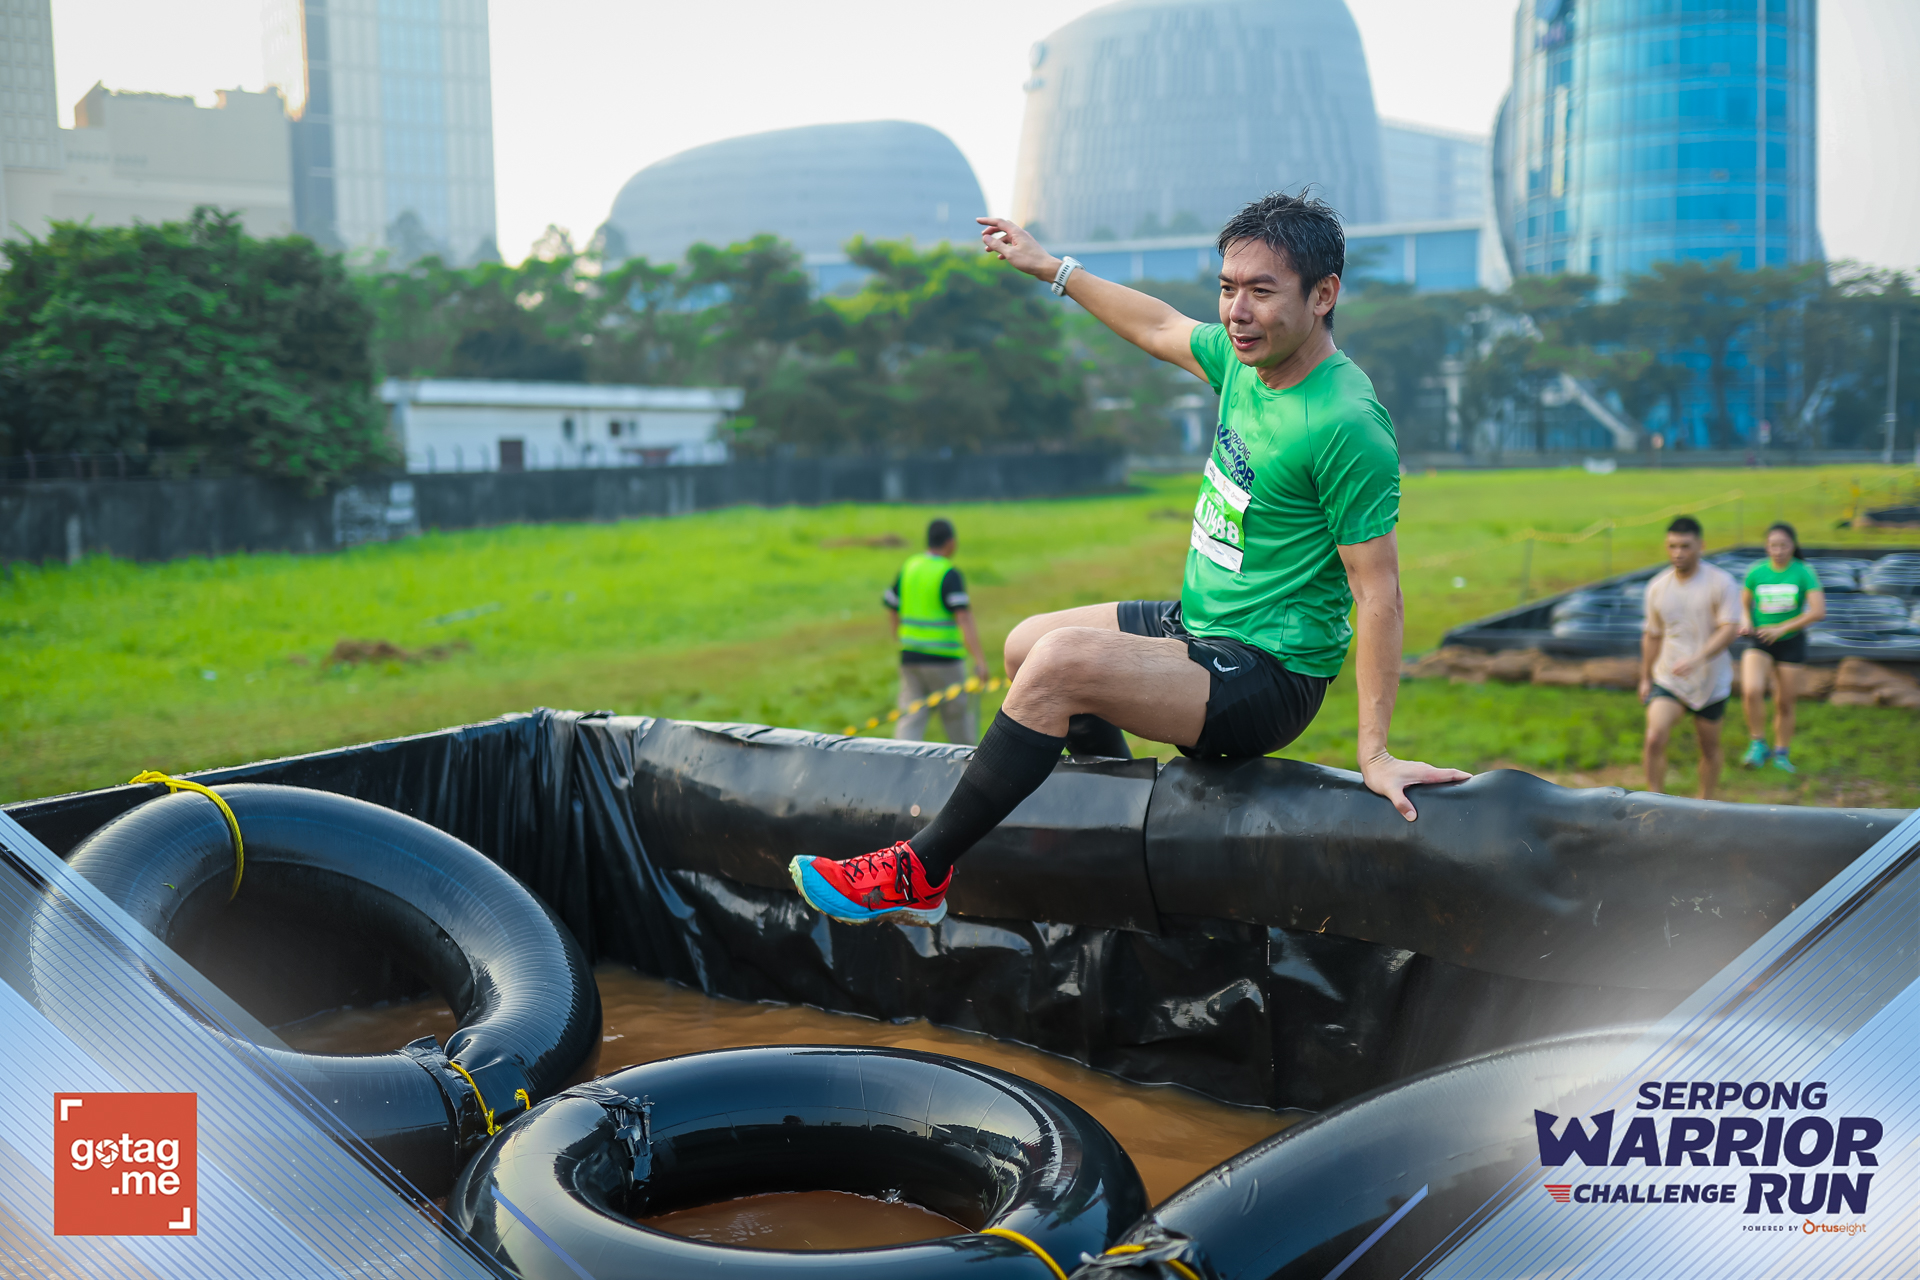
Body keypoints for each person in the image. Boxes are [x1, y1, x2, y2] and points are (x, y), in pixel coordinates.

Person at [787, 192, 1469, 927]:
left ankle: (919, 873)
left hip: (1269, 672)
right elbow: (1159, 325)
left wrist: (1375, 753)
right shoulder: (1245, 363)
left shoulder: (1345, 423)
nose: (1237, 312)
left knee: (1060, 664)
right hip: (1202, 623)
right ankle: (1120, 841)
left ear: (1323, 295)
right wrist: (1052, 268)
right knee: (1026, 646)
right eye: (1228, 288)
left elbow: (1378, 592)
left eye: (1262, 292)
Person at [1639, 516, 1741, 799]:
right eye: (1672, 546)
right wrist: (1645, 677)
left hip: (1710, 680)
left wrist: (1698, 658)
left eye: (1685, 546)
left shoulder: (1721, 582)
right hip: (1669, 678)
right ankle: (1655, 801)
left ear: (1701, 545)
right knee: (1654, 737)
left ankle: (1704, 804)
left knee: (1709, 747)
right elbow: (1652, 635)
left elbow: (1729, 629)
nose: (1678, 553)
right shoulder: (1657, 587)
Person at [886, 518, 990, 744]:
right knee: (956, 719)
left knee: (910, 718)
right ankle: (966, 763)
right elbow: (963, 617)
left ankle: (900, 762)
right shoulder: (948, 573)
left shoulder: (910, 566)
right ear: (951, 542)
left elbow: (891, 604)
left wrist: (898, 636)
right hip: (944, 660)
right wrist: (980, 660)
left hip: (910, 655)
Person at [1737, 521, 1825, 773]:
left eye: (1783, 545)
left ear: (1793, 546)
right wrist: (1745, 620)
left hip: (1791, 642)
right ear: (1766, 547)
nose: (1778, 551)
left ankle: (1781, 754)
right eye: (1773, 545)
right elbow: (1744, 603)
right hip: (1761, 640)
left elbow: (1818, 611)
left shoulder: (1803, 571)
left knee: (1784, 702)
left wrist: (1782, 628)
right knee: (1751, 690)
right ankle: (1758, 743)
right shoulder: (1756, 571)